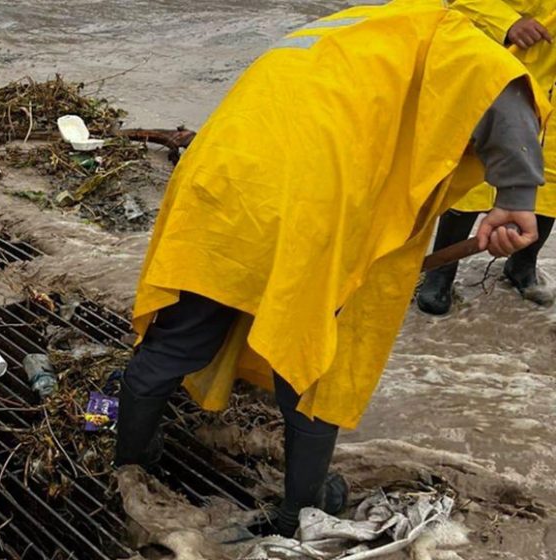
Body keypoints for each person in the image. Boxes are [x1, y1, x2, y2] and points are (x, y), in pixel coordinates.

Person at [114, 0, 546, 539]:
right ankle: (303, 509)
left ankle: (129, 461)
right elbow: (502, 90)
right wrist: (517, 193)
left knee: (182, 334)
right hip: (307, 203)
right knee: (311, 358)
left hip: (218, 178)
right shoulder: (444, 30)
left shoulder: (353, 26)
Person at [418, 3, 556, 314]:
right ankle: (440, 271)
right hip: (501, 65)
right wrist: (508, 22)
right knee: (473, 178)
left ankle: (523, 265)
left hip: (552, 78)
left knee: (550, 182)